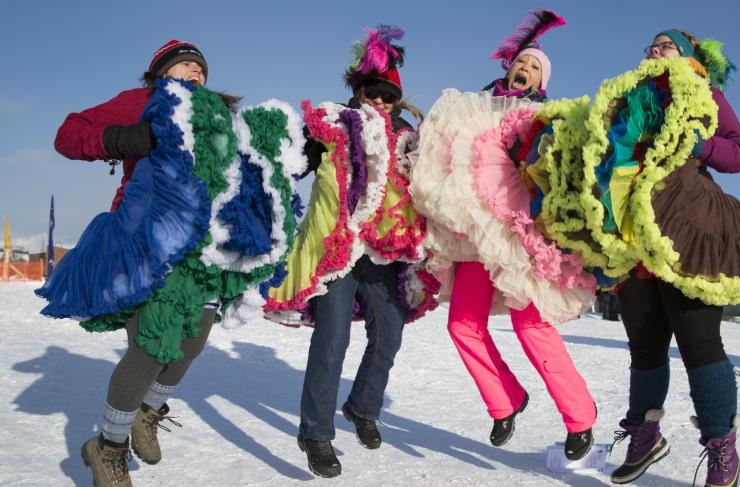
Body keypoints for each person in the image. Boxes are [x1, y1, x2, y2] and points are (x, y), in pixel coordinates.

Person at [600, 30, 740, 487]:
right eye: (650, 46)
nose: (655, 50)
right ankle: (645, 435)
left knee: (698, 343)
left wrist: (698, 144)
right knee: (645, 347)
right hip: (635, 230)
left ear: (688, 56)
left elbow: (739, 150)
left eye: (666, 45)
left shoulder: (702, 90)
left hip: (690, 222)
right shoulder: (630, 96)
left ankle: (721, 448)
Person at [46, 41, 246, 487]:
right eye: (186, 64)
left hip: (205, 250)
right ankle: (108, 447)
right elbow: (69, 133)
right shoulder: (142, 101)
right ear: (161, 72)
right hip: (148, 242)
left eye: (201, 67)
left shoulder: (221, 117)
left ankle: (146, 413)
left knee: (191, 344)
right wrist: (124, 138)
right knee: (152, 346)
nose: (196, 71)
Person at [411, 10, 598, 463]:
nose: (526, 70)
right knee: (462, 325)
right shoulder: (472, 106)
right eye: (523, 63)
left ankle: (581, 417)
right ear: (508, 66)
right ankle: (506, 400)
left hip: (520, 234)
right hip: (474, 235)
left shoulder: (543, 116)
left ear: (542, 79)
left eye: (536, 67)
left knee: (530, 323)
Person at [265, 25, 430, 478]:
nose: (379, 103)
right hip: (337, 247)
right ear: (357, 91)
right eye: (371, 93)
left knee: (390, 333)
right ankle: (316, 433)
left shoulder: (408, 138)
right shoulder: (332, 123)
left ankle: (362, 405)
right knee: (333, 336)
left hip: (383, 252)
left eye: (388, 96)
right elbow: (291, 163)